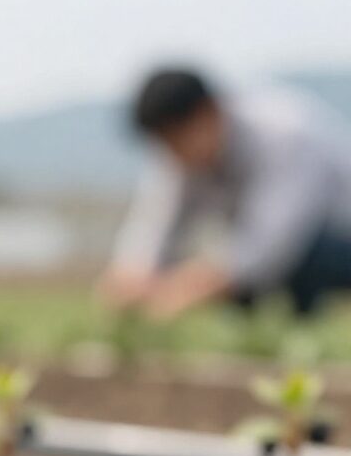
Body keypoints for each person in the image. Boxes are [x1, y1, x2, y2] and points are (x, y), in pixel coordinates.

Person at [101, 68, 351, 319]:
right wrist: (133, 276)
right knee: (235, 281)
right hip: (280, 247)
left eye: (176, 141)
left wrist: (186, 287)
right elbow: (156, 225)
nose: (172, 155)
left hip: (336, 238)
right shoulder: (182, 158)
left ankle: (302, 322)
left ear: (208, 112)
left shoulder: (285, 135)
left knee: (296, 262)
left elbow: (271, 244)